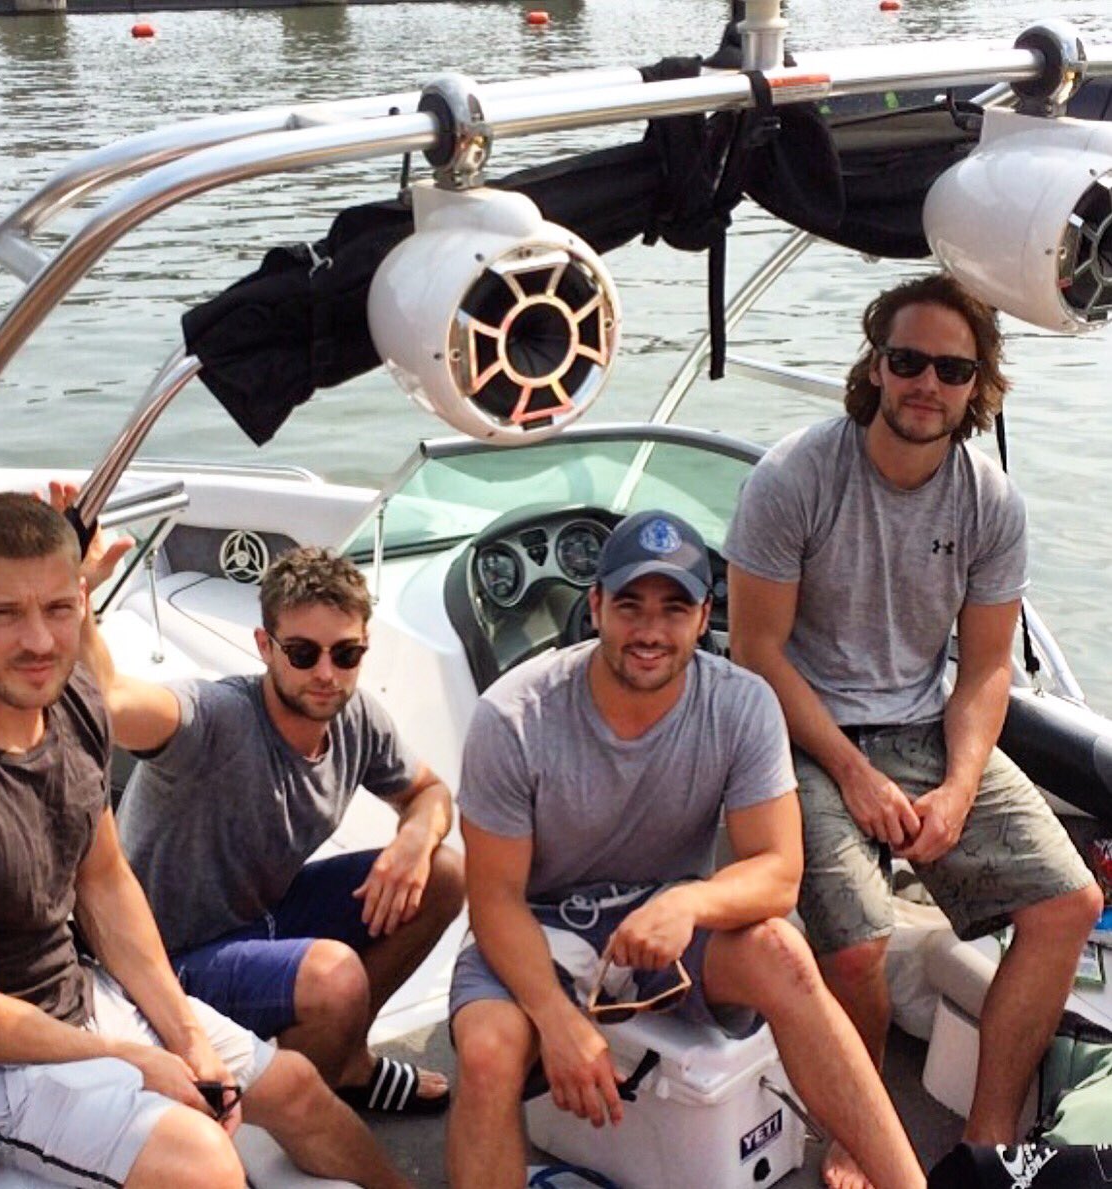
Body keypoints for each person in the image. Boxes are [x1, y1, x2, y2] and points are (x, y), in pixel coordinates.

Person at [724, 272, 1104, 1188]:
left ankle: (986, 1136)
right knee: (855, 944)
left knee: (1067, 905)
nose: (925, 384)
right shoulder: (795, 478)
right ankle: (862, 1133)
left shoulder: (989, 501)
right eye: (906, 361)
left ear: (977, 386)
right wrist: (854, 774)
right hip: (803, 732)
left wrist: (959, 785)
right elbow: (757, 656)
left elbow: (981, 670)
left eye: (950, 368)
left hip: (929, 729)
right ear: (875, 366)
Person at [0, 491, 412, 1189]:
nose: (39, 640)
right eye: (6, 613)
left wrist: (181, 1035)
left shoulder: (71, 703)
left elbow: (103, 880)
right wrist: (129, 1062)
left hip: (78, 995)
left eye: (60, 608)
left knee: (300, 1086)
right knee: (203, 1160)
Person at [446, 509, 926, 1189]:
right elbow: (492, 898)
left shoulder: (742, 704)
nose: (649, 630)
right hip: (537, 923)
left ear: (704, 617)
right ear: (595, 606)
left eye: (673, 608)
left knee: (783, 953)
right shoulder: (512, 715)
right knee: (490, 1053)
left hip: (662, 921)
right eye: (629, 605)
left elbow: (778, 872)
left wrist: (689, 900)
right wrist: (556, 1019)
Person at [79, 521, 464, 1116]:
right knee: (334, 977)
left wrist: (415, 835)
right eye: (303, 653)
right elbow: (111, 697)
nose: (326, 673)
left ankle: (343, 1066)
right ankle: (300, 1109)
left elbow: (429, 793)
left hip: (260, 914)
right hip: (168, 958)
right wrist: (78, 595)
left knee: (444, 874)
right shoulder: (214, 718)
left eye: (347, 653)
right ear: (265, 646)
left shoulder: (356, 717)